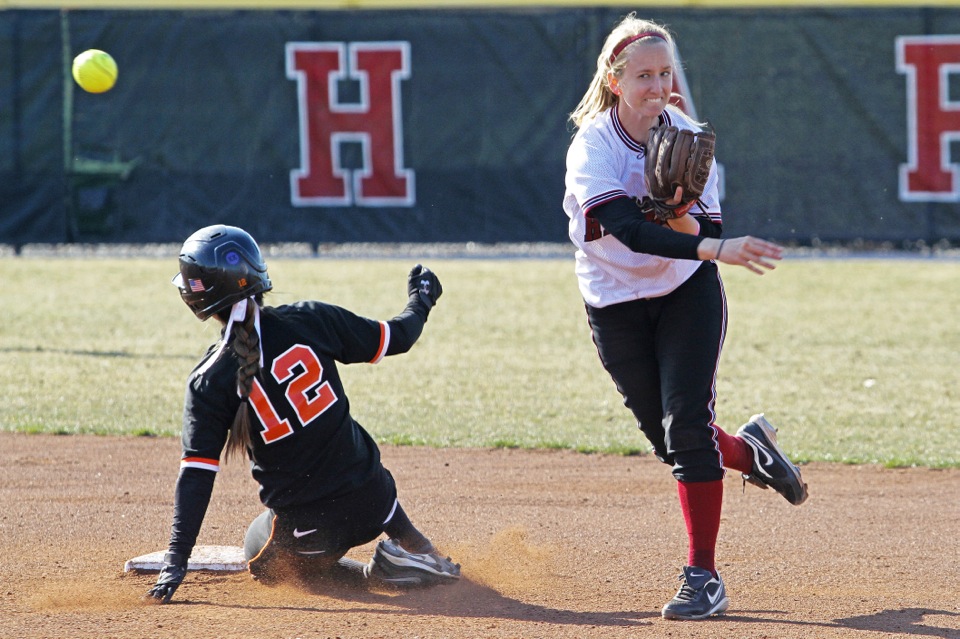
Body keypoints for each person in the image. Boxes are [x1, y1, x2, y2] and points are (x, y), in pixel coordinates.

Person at [563, 14, 808, 621]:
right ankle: (753, 453)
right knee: (670, 441)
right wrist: (704, 241)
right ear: (616, 81)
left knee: (688, 430)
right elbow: (623, 228)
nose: (658, 86)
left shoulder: (688, 134)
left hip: (686, 294)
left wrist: (683, 213)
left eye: (665, 73)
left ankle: (704, 577)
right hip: (613, 302)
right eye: (643, 74)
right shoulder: (592, 145)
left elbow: (710, 230)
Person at [144, 224, 460, 604]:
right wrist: (421, 299)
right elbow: (399, 337)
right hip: (377, 499)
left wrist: (175, 563)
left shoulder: (209, 380)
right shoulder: (311, 319)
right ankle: (415, 548)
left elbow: (196, 476)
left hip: (313, 533)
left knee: (258, 553)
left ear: (196, 296)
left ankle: (377, 576)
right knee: (349, 449)